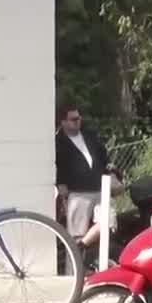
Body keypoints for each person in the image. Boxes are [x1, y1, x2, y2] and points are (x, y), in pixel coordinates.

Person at [54, 103, 116, 244]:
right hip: (77, 193)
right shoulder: (58, 142)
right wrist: (60, 184)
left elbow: (103, 157)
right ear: (63, 122)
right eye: (74, 119)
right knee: (75, 234)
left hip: (100, 188)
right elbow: (56, 165)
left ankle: (83, 245)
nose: (78, 122)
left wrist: (110, 172)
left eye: (79, 118)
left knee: (108, 221)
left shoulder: (90, 135)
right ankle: (75, 260)